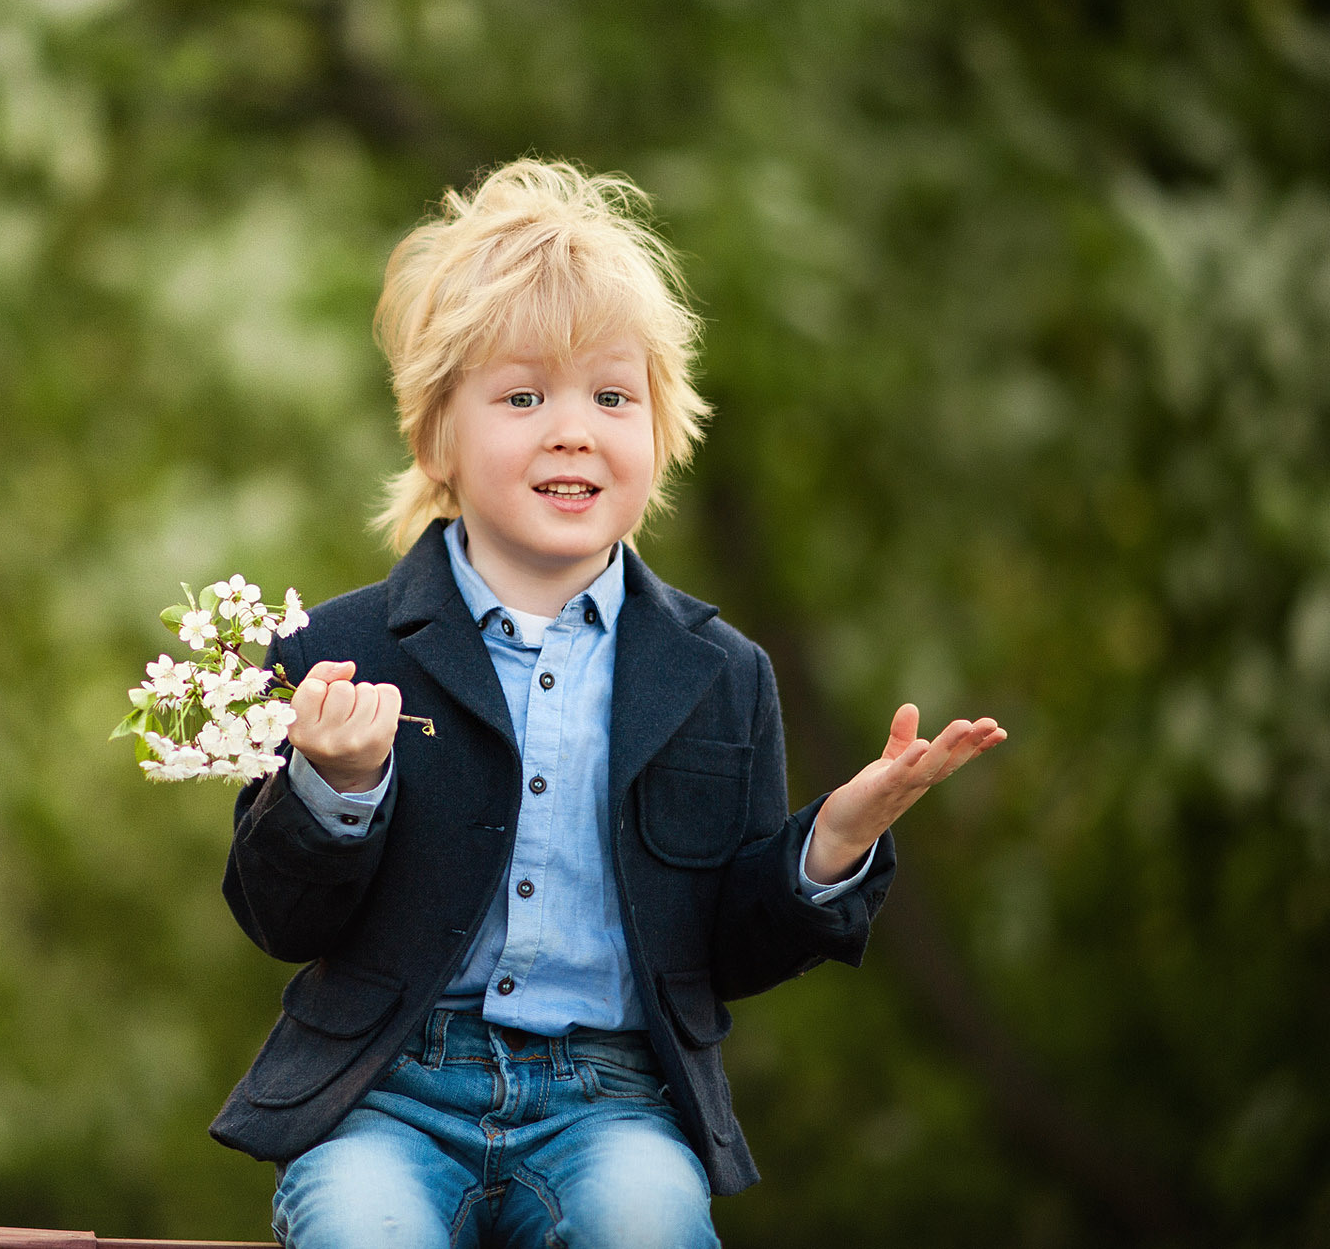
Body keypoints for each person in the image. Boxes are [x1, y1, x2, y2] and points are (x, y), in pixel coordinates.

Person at [210, 158, 1005, 1248]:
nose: (572, 428)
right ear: (437, 434)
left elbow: (725, 947)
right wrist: (334, 785)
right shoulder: (334, 652)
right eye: (523, 395)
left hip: (611, 1100)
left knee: (649, 1224)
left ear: (661, 430)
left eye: (611, 395)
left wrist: (831, 840)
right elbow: (276, 915)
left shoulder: (719, 673)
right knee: (362, 1229)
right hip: (384, 1094)